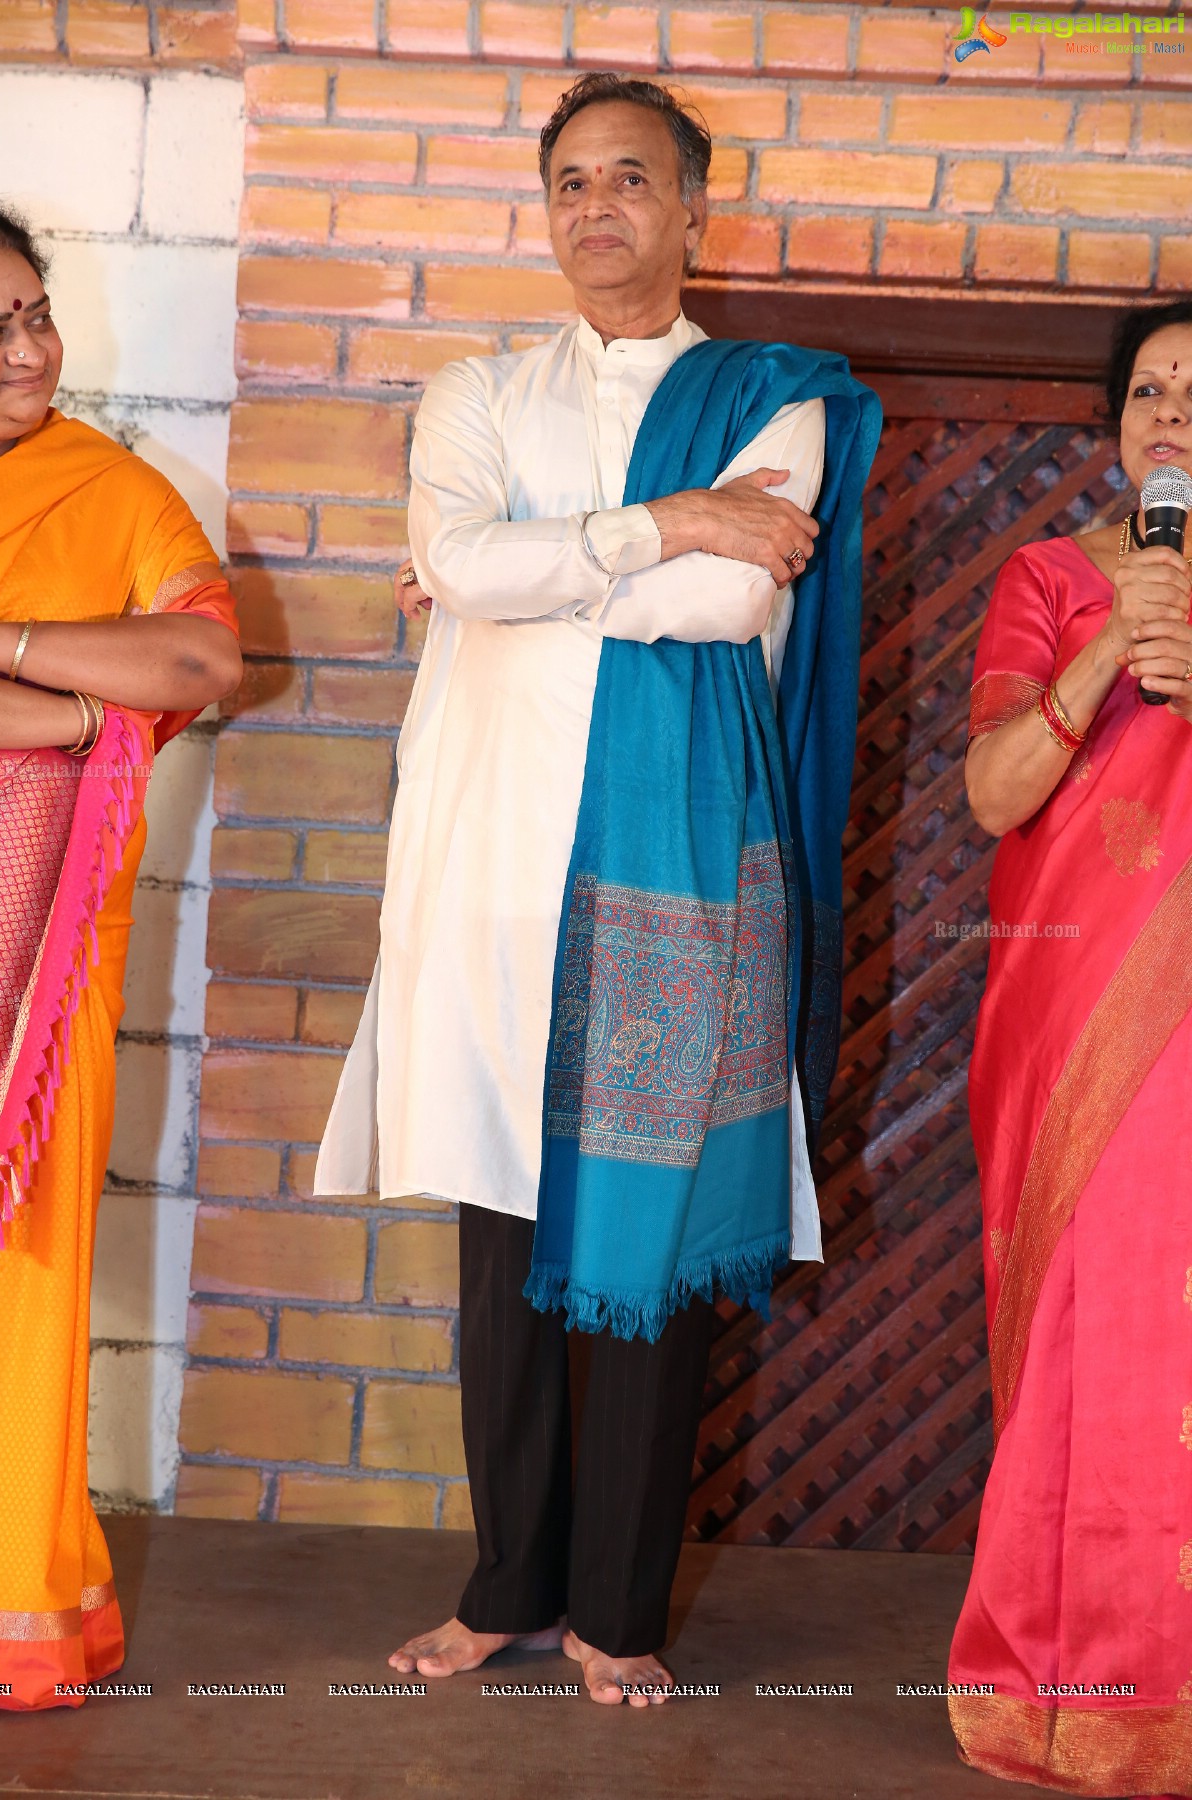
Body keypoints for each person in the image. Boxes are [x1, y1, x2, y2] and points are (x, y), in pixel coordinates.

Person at [316, 73, 878, 1707]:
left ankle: (620, 1610)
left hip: (672, 865)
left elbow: (714, 600)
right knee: (506, 1237)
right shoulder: (475, 388)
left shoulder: (780, 399)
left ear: (698, 207)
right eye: (569, 182)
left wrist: (522, 567)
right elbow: (495, 556)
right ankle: (506, 1583)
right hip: (493, 853)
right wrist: (648, 527)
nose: (597, 209)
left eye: (633, 179)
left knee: (641, 1227)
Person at [0, 202, 242, 1711]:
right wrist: (81, 710)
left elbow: (202, 663)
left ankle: (9, 1597)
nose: (28, 350)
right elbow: (131, 687)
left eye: (33, 314)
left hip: (45, 974)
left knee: (18, 1279)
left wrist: (14, 642)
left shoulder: (111, 488)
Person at [950, 298, 1192, 1796]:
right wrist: (1112, 653)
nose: (1172, 414)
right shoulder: (1046, 579)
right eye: (1151, 390)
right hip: (1074, 1015)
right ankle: (1070, 1683)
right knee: (1091, 1331)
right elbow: (994, 793)